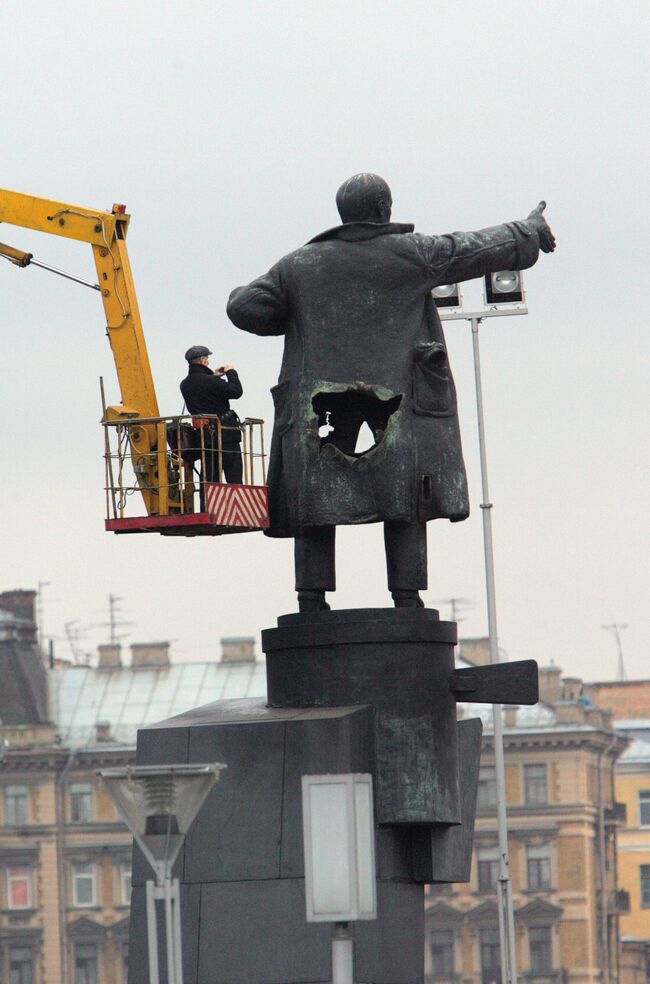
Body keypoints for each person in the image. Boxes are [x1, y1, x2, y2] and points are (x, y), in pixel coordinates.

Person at [227, 173, 555, 612]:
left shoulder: (298, 265)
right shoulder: (413, 254)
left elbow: (246, 307)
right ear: (384, 211)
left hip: (320, 408)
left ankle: (311, 597)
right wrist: (528, 229)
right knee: (405, 496)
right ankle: (406, 596)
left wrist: (292, 313)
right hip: (396, 401)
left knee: (315, 502)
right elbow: (477, 248)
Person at [180, 345, 243, 486]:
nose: (208, 362)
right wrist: (231, 372)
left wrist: (213, 376)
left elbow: (204, 391)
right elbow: (236, 391)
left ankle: (207, 505)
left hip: (205, 437)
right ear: (202, 360)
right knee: (234, 475)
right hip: (226, 434)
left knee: (209, 478)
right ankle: (237, 505)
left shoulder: (185, 384)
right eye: (207, 359)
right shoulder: (211, 382)